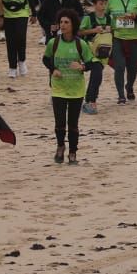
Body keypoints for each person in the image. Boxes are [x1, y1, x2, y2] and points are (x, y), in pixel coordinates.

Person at [43, 13, 96, 165]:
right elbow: (46, 59)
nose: (63, 25)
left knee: (73, 124)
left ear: (73, 25)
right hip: (58, 89)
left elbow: (91, 63)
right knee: (59, 123)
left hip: (76, 90)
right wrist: (53, 69)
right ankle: (60, 146)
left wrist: (82, 66)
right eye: (61, 22)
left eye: (66, 22)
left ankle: (73, 152)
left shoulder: (81, 44)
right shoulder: (53, 42)